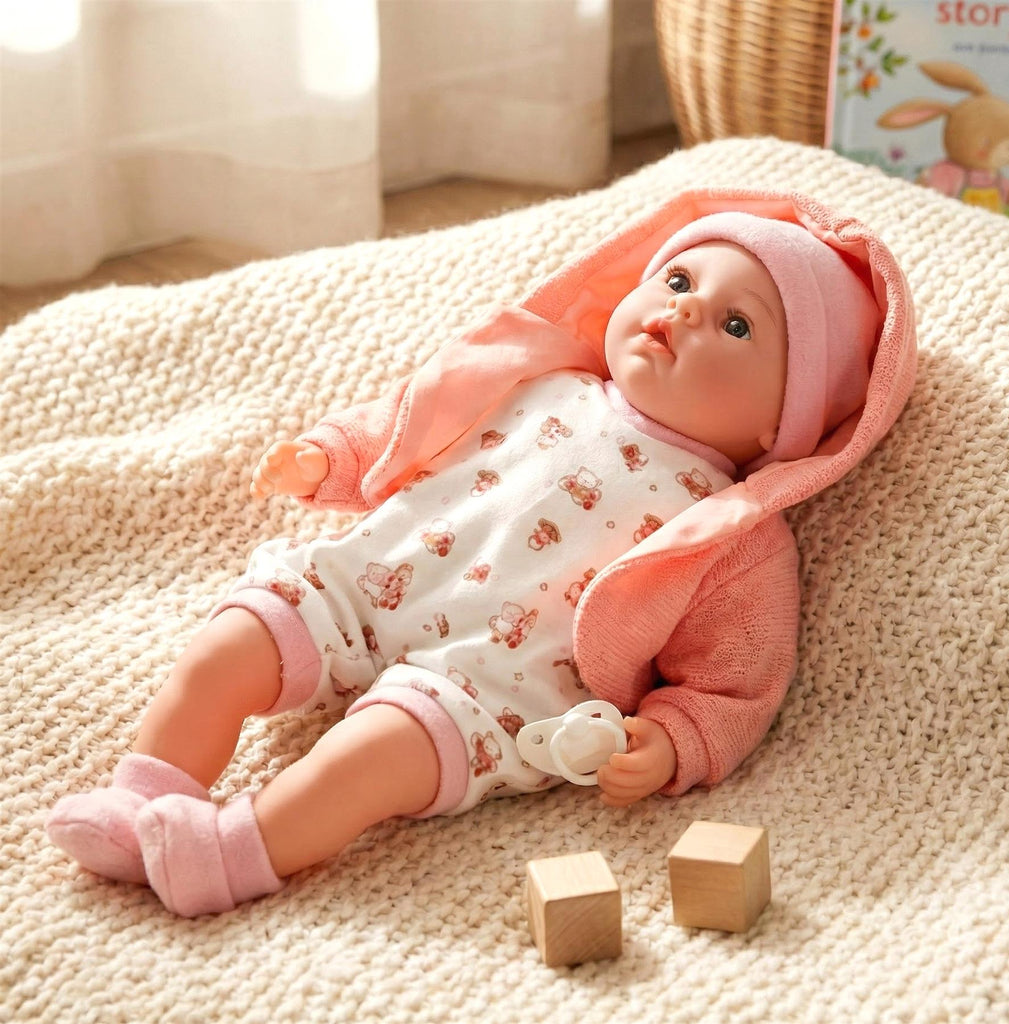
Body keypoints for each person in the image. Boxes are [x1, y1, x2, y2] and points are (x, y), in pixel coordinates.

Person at [47, 191, 918, 917]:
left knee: (366, 762)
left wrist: (673, 740)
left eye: (735, 325)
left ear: (782, 422)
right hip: (370, 584)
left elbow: (736, 680)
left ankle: (234, 852)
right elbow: (420, 418)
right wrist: (332, 456)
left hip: (489, 687)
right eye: (679, 279)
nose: (685, 309)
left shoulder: (733, 532)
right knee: (231, 642)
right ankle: (144, 793)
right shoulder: (544, 377)